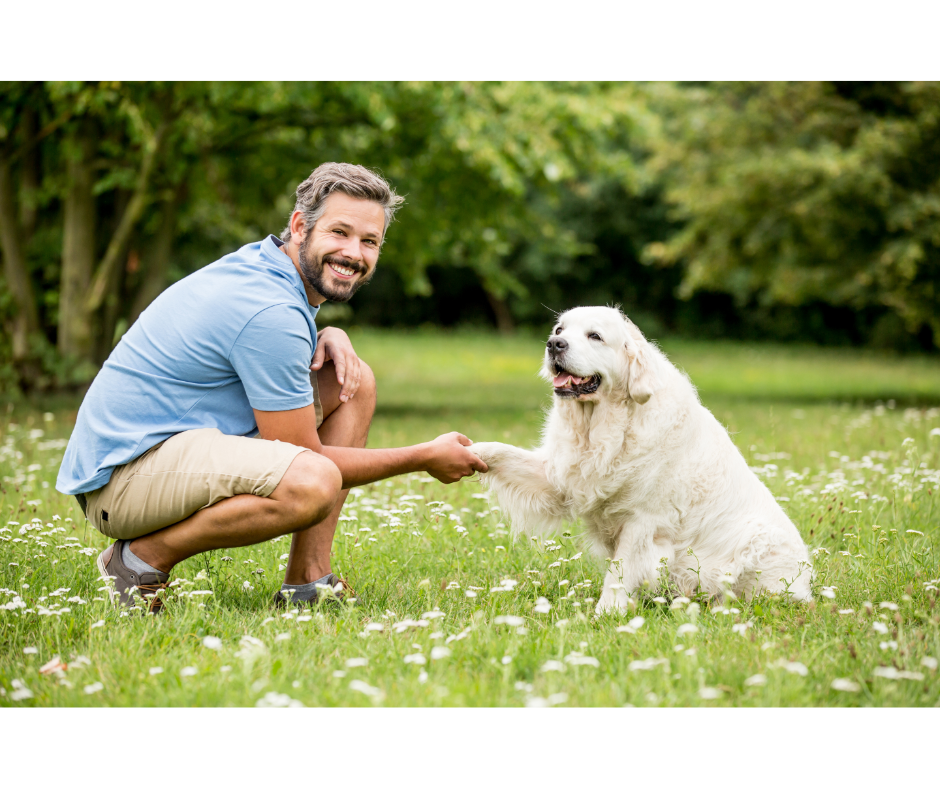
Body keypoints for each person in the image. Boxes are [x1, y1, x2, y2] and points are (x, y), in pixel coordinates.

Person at [56, 162, 488, 613]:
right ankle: (138, 563)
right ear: (300, 226)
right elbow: (306, 457)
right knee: (312, 481)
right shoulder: (270, 311)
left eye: (369, 241)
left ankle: (308, 581)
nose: (353, 253)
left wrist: (327, 334)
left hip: (160, 450)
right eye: (339, 232)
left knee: (351, 382)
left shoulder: (268, 268)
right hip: (122, 481)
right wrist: (423, 456)